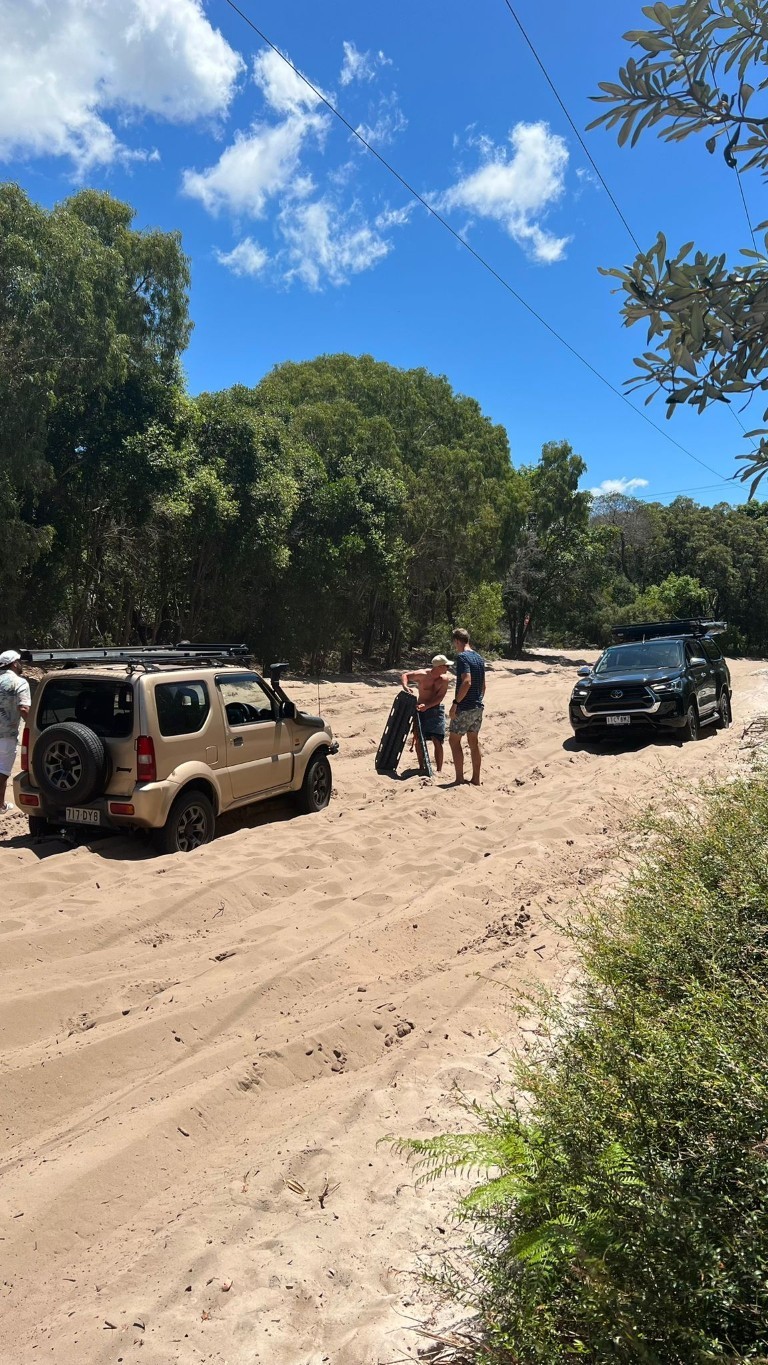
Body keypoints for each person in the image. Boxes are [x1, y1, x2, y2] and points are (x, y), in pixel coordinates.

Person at [400, 655, 452, 774]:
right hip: (420, 709)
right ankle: (421, 767)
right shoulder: (422, 674)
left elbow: (440, 697)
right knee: (419, 739)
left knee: (437, 740)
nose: (448, 668)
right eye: (446, 666)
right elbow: (405, 675)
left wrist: (428, 706)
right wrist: (405, 686)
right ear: (439, 666)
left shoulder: (444, 679)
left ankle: (439, 770)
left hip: (435, 710)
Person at [448, 628, 485, 785]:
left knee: (454, 741)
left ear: (457, 641)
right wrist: (478, 700)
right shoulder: (479, 658)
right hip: (477, 706)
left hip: (465, 706)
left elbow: (467, 681)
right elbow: (483, 686)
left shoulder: (462, 657)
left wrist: (456, 703)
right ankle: (476, 779)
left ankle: (459, 778)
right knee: (473, 742)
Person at [0, 650, 31, 814]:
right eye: (20, 661)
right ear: (14, 663)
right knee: (3, 771)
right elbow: (24, 709)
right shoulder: (19, 683)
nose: (22, 664)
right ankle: (0, 806)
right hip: (6, 736)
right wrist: (33, 728)